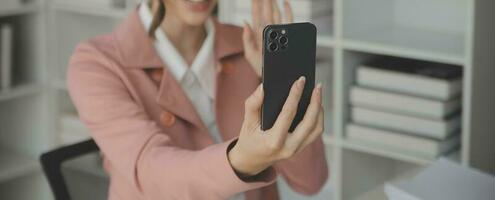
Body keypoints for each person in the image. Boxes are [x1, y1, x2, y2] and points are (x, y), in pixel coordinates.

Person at [67, 0, 328, 199]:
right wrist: (241, 160)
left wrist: (280, 83)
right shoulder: (97, 63)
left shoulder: (251, 47)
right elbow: (151, 171)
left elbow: (310, 181)